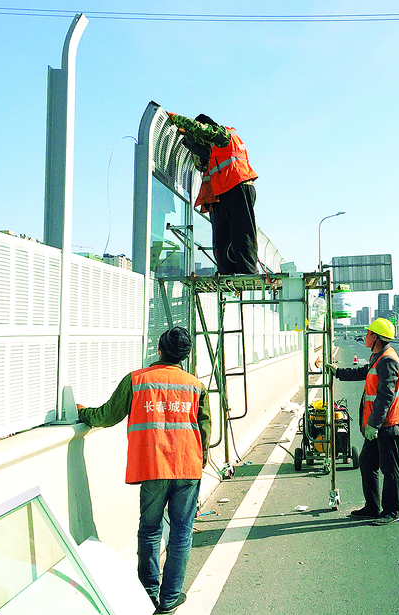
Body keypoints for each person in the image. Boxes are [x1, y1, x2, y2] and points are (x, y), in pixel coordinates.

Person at [78, 327, 211, 614]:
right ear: (185, 356)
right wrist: (199, 462)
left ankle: (148, 595)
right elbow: (206, 430)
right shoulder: (195, 386)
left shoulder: (137, 381)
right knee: (181, 533)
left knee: (150, 530)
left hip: (153, 467)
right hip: (187, 467)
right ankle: (170, 598)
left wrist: (82, 412)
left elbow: (106, 416)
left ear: (159, 350)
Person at [328, 318, 399, 526]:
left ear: (375, 337)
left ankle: (391, 511)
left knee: (390, 469)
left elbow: (385, 397)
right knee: (366, 462)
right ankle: (372, 507)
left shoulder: (388, 360)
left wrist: (374, 424)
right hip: (378, 425)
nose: (365, 336)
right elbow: (364, 372)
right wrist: (338, 372)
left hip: (388, 425)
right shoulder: (378, 356)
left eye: (368, 333)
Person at [166, 111, 258, 275]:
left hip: (239, 186)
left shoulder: (223, 134)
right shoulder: (213, 149)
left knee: (241, 232)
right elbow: (203, 163)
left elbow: (201, 129)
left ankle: (248, 271)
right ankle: (226, 271)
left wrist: (176, 119)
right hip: (224, 192)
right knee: (222, 236)